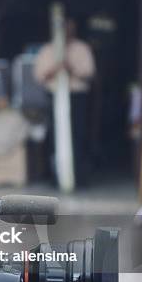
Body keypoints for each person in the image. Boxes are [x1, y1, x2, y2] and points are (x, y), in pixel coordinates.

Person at [34, 18, 96, 187]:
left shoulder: (81, 48)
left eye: (70, 28)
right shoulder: (48, 49)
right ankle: (56, 178)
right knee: (54, 137)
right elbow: (39, 76)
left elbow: (89, 73)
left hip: (77, 98)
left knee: (78, 136)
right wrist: (56, 68)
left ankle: (79, 178)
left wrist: (71, 68)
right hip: (54, 97)